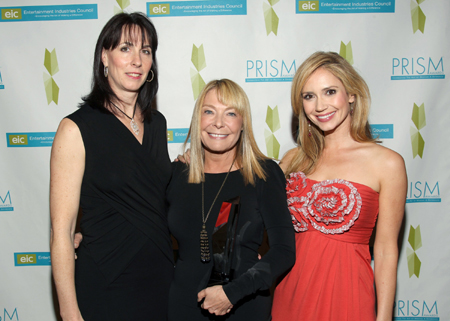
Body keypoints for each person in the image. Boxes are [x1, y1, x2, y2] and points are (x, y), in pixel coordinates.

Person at [50, 12, 173, 321]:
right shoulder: (76, 129)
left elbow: (160, 202)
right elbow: (62, 233)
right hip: (105, 285)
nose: (137, 60)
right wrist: (69, 312)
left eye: (146, 51)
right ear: (104, 57)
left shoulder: (157, 125)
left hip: (160, 284)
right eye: (125, 48)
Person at [271, 51, 407, 320]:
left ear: (352, 94)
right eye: (309, 96)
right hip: (290, 291)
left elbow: (385, 249)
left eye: (330, 91)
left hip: (347, 294)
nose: (320, 106)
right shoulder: (292, 160)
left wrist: (384, 316)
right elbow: (250, 209)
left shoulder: (387, 163)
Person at [167, 79, 296, 320]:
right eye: (209, 111)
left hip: (243, 306)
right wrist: (80, 234)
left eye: (230, 113)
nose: (218, 122)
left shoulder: (263, 174)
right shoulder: (176, 175)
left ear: (243, 123)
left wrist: (233, 293)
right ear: (198, 120)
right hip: (183, 307)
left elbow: (284, 250)